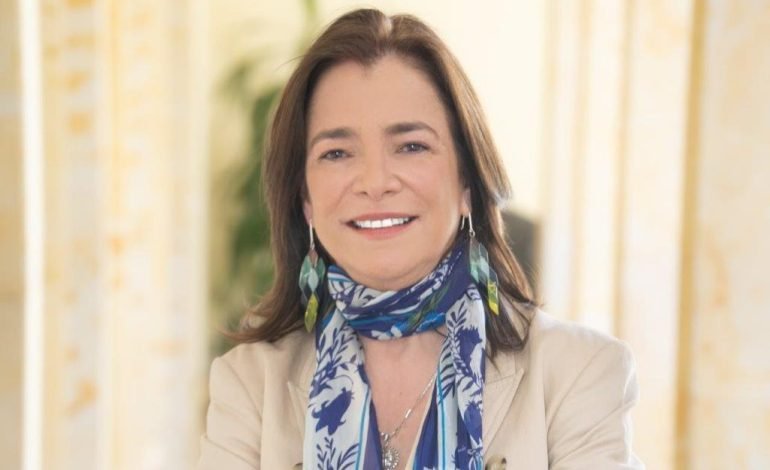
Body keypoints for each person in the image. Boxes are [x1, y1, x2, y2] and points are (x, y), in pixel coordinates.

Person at [198, 8, 643, 470]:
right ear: (305, 198)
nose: (375, 182)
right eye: (337, 153)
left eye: (411, 146)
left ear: (467, 182)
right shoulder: (250, 385)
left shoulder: (580, 373)